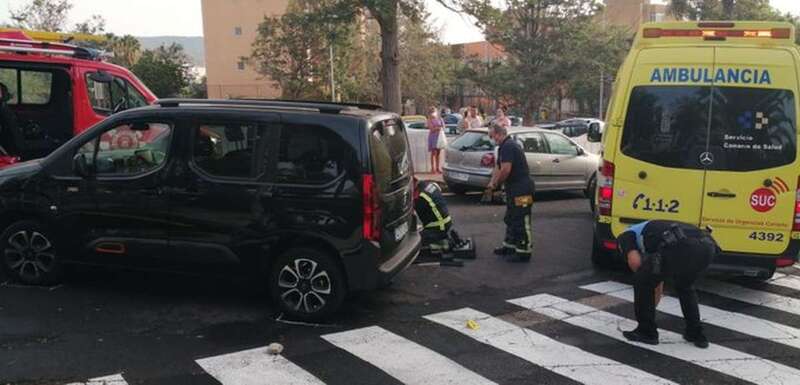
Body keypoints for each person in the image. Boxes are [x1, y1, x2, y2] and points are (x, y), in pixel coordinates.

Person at [617, 220, 718, 348]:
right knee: (685, 287)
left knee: (641, 281)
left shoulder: (624, 236)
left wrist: (646, 292)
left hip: (681, 246)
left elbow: (635, 262)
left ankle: (646, 332)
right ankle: (695, 333)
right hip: (707, 246)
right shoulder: (652, 230)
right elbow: (657, 278)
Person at [486, 123, 534, 262]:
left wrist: (497, 184)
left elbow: (506, 170)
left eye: (492, 136)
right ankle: (510, 246)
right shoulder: (503, 147)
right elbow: (498, 167)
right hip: (515, 189)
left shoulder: (508, 146)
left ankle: (524, 251)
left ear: (499, 133)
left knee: (521, 219)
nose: (492, 139)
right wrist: (492, 183)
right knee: (511, 218)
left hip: (523, 190)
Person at [426, 107, 445, 174]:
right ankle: (432, 168)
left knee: (438, 153)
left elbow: (443, 127)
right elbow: (431, 129)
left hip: (439, 137)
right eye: (432, 111)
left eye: (434, 111)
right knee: (433, 153)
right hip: (433, 137)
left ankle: (438, 168)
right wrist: (438, 128)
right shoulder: (429, 119)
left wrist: (438, 128)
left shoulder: (440, 118)